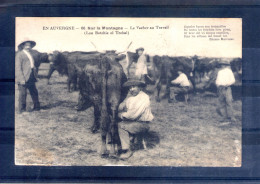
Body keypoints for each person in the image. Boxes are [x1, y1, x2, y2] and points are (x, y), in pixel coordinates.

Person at [118, 78, 154, 159]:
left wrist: (120, 115)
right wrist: (119, 105)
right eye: (130, 88)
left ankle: (127, 150)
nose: (131, 89)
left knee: (120, 125)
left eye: (133, 87)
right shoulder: (131, 98)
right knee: (117, 123)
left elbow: (132, 115)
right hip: (134, 122)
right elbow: (123, 107)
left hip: (142, 124)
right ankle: (125, 142)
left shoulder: (143, 97)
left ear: (140, 88)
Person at [15, 38, 40, 113]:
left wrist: (35, 75)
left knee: (34, 92)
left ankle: (37, 107)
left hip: (31, 75)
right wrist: (21, 78)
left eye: (29, 45)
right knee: (23, 93)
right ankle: (22, 109)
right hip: (24, 76)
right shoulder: (20, 54)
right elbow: (18, 68)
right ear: (23, 46)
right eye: (26, 45)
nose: (28, 47)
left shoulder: (30, 54)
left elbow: (32, 65)